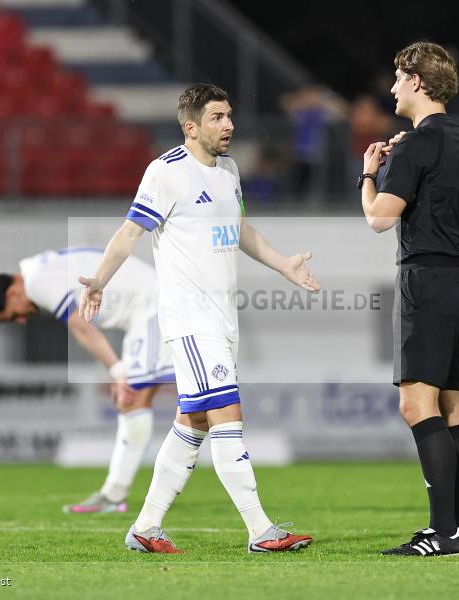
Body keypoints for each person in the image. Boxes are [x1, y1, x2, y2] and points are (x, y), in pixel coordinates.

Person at [77, 83, 319, 554]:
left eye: (229, 116)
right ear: (190, 126)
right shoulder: (165, 172)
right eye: (216, 118)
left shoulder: (228, 170)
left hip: (222, 319)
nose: (228, 125)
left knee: (194, 422)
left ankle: (145, 528)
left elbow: (240, 229)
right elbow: (130, 231)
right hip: (190, 320)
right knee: (227, 413)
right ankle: (261, 530)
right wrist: (100, 280)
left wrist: (284, 263)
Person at [357, 41, 459, 556]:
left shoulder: (414, 143)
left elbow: (379, 218)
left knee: (415, 403)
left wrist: (369, 172)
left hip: (425, 281)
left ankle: (444, 533)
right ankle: (458, 530)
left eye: (397, 77)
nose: (391, 87)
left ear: (417, 82)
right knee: (450, 409)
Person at [0, 246, 175, 514]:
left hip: (152, 308)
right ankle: (114, 494)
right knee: (138, 401)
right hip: (150, 307)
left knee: (134, 398)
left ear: (12, 292)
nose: (22, 321)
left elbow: (81, 327)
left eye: (13, 315)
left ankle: (114, 495)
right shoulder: (38, 267)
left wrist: (117, 373)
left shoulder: (36, 282)